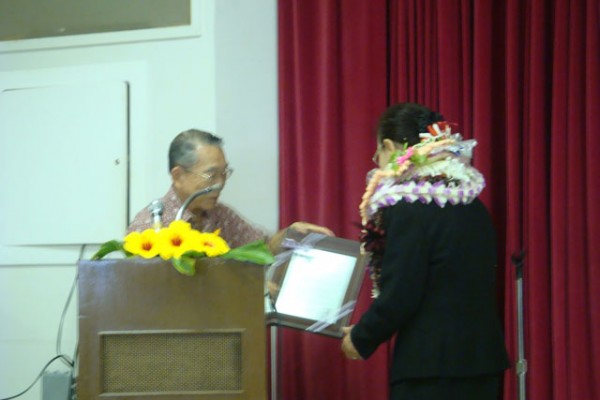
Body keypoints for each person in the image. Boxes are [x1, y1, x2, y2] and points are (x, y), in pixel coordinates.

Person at [341, 103, 509, 399]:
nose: (374, 160)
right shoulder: (474, 206)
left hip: (430, 371)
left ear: (391, 147)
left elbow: (402, 292)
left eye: (377, 151)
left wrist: (361, 337)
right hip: (483, 366)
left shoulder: (407, 209)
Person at [128, 129, 333, 251]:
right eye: (211, 175)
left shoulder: (221, 215)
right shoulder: (150, 225)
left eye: (224, 173)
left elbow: (262, 247)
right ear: (178, 176)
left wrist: (290, 234)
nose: (220, 183)